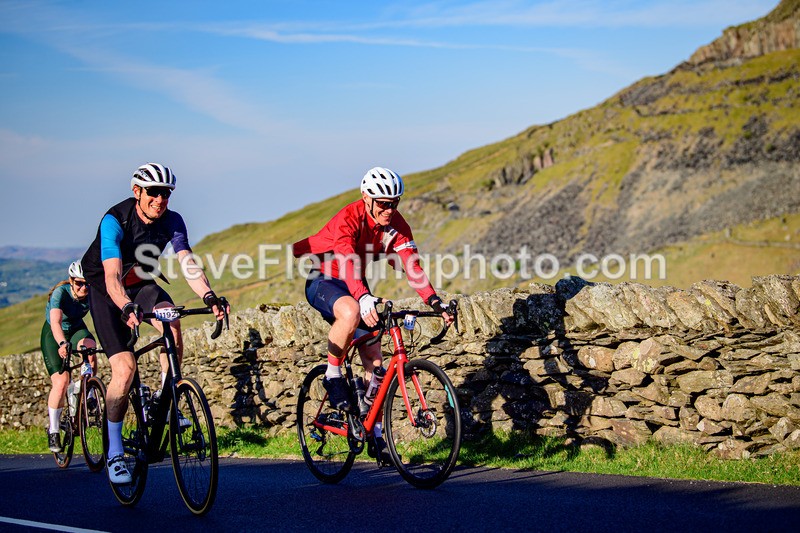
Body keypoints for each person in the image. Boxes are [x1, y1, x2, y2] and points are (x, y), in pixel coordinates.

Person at [292, 166, 453, 464]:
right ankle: (333, 375)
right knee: (352, 311)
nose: (389, 209)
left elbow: (412, 267)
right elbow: (348, 260)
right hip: (324, 279)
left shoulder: (397, 224)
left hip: (355, 283)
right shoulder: (348, 218)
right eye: (383, 203)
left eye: (395, 203)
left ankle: (375, 433)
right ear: (366, 198)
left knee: (375, 357)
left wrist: (434, 301)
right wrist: (363, 296)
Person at [81, 163, 227, 484]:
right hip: (108, 291)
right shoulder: (114, 221)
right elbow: (112, 276)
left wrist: (210, 296)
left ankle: (168, 402)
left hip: (142, 283)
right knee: (125, 369)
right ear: (137, 192)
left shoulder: (172, 221)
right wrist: (125, 306)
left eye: (166, 193)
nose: (160, 199)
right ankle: (115, 451)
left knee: (172, 322)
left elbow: (187, 263)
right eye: (154, 192)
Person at [40, 261, 98, 453]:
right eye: (79, 283)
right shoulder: (61, 293)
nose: (83, 287)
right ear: (72, 281)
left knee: (90, 349)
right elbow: (55, 322)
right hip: (53, 333)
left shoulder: (91, 292)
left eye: (86, 283)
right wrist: (62, 344)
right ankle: (54, 429)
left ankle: (87, 392)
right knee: (61, 381)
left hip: (76, 328)